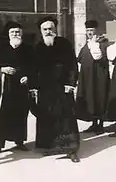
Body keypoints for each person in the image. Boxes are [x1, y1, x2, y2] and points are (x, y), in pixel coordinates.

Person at [31, 17, 80, 163]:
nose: (48, 32)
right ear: (41, 31)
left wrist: (71, 83)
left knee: (66, 118)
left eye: (50, 29)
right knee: (48, 116)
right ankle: (50, 146)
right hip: (45, 88)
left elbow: (72, 64)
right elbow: (33, 68)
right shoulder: (37, 46)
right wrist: (33, 86)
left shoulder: (64, 43)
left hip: (63, 87)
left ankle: (71, 149)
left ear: (55, 29)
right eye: (45, 29)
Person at [0, 21, 34, 156]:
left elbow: (34, 66)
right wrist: (3, 69)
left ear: (22, 34)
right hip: (4, 84)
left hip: (21, 85)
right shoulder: (0, 47)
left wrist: (28, 77)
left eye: (17, 32)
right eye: (12, 32)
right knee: (2, 114)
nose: (15, 34)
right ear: (8, 35)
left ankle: (19, 141)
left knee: (21, 113)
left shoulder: (28, 48)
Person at [75, 20, 110, 135]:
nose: (89, 32)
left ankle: (100, 124)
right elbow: (80, 58)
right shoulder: (87, 44)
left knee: (99, 97)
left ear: (96, 30)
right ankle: (94, 123)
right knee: (90, 98)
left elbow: (102, 58)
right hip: (87, 77)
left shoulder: (103, 43)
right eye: (88, 30)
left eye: (91, 30)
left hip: (99, 77)